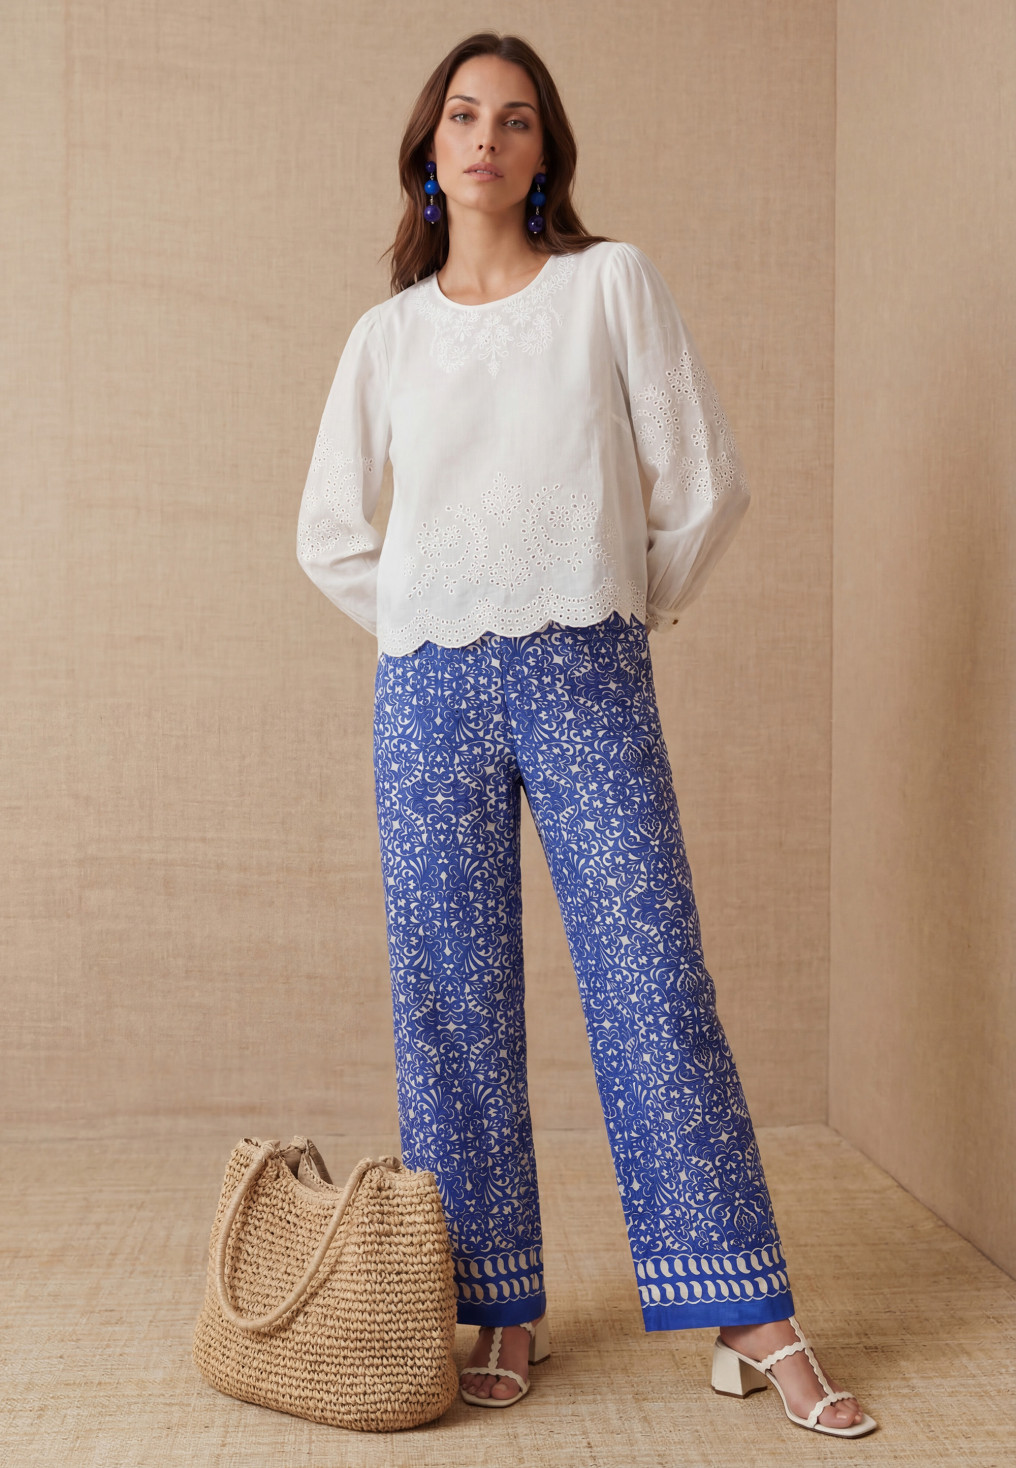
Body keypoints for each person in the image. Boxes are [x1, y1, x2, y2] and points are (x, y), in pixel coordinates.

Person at [295, 31, 877, 1441]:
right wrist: (429, 614)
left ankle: (750, 1312)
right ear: (429, 150)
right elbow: (327, 535)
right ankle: (499, 1301)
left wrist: (617, 602)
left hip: (586, 667)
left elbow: (706, 478)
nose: (485, 139)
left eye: (514, 119)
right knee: (450, 1000)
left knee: (651, 978)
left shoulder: (610, 285)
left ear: (546, 149)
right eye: (462, 117)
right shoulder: (388, 335)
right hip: (428, 691)